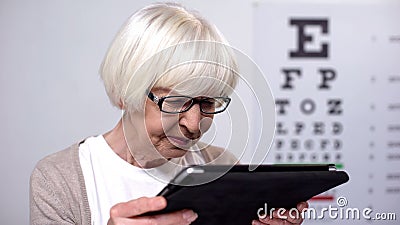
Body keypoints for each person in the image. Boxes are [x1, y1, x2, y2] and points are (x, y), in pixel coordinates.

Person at [30, 2, 307, 225]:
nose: (194, 124)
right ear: (127, 94)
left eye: (207, 103)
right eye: (175, 102)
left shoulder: (221, 165)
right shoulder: (60, 179)